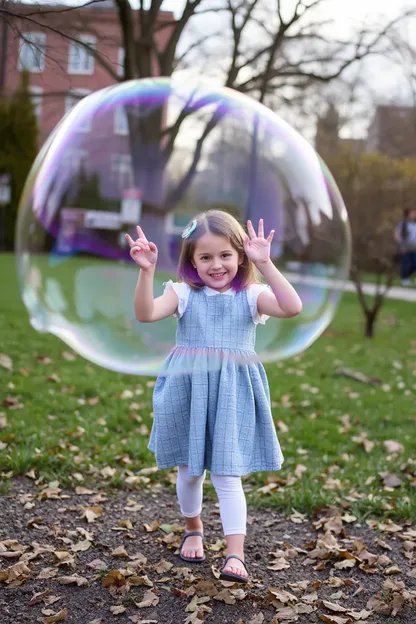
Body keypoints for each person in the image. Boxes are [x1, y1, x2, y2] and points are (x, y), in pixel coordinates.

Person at [125, 210, 302, 584]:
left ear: (240, 256)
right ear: (192, 261)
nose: (216, 264)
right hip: (188, 389)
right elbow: (145, 314)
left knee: (227, 474)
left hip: (232, 394)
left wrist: (266, 264)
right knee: (190, 472)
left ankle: (235, 555)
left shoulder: (251, 296)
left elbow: (291, 307)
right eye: (205, 257)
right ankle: (193, 527)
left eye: (225, 255)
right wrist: (146, 271)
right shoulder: (184, 293)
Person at [394, 209, 416, 286]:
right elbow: (397, 234)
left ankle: (409, 276)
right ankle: (404, 279)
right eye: (412, 213)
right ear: (408, 214)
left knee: (415, 264)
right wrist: (401, 245)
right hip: (405, 248)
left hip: (415, 248)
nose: (414, 215)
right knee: (405, 264)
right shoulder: (403, 224)